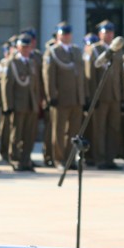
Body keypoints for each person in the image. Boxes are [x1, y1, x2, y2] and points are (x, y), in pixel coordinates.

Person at [44, 21, 85, 170]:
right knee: (59, 131)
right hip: (61, 98)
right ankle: (59, 159)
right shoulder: (52, 52)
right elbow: (48, 76)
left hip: (76, 98)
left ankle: (70, 159)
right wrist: (51, 95)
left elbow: (81, 76)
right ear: (58, 35)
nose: (66, 37)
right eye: (63, 34)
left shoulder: (76, 51)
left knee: (74, 132)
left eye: (68, 34)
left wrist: (83, 96)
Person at [87, 20, 124, 170]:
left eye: (111, 32)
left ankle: (110, 158)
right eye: (106, 32)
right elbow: (90, 76)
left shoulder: (117, 50)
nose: (109, 35)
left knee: (113, 128)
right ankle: (100, 159)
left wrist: (123, 96)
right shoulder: (95, 50)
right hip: (101, 96)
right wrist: (92, 97)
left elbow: (121, 75)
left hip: (115, 96)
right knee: (100, 129)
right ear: (100, 34)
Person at [1, 33, 40, 171]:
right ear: (17, 47)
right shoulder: (12, 62)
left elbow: (36, 85)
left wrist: (38, 102)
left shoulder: (32, 62)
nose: (26, 49)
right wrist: (8, 105)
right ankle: (16, 159)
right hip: (18, 104)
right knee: (16, 134)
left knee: (29, 135)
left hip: (31, 104)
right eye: (23, 47)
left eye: (28, 47)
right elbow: (7, 85)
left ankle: (26, 160)